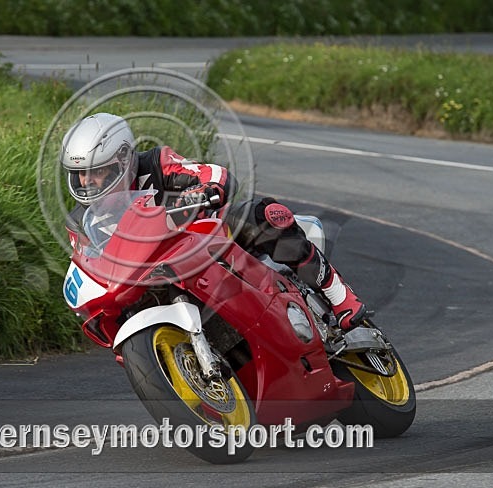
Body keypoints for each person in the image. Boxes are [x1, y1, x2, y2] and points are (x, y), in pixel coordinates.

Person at [60, 113, 366, 331]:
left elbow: (212, 174)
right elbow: (89, 265)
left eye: (97, 171)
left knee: (264, 215)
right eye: (80, 174)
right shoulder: (82, 222)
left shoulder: (156, 163)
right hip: (155, 274)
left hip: (207, 240)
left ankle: (338, 296)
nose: (88, 181)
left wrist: (199, 193)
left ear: (124, 160)